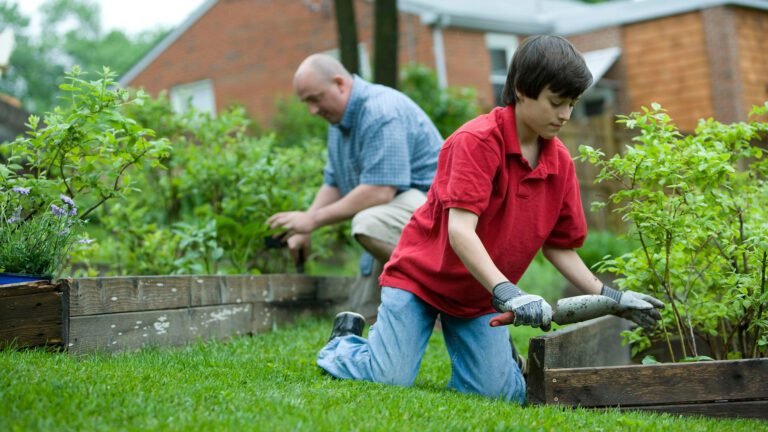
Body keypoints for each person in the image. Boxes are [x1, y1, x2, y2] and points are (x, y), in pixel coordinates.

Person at [316, 35, 665, 404]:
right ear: (521, 90)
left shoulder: (559, 163)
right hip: (420, 281)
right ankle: (345, 343)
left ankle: (498, 363)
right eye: (556, 102)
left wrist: (614, 298)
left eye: (572, 104)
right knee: (388, 378)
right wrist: (510, 293)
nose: (565, 115)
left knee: (498, 395)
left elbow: (559, 248)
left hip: (480, 296)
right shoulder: (475, 142)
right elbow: (460, 231)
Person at [267, 54, 443, 321]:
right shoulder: (339, 122)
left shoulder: (380, 111)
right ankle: (411, 308)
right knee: (361, 315)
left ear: (339, 83)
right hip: (399, 217)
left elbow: (380, 191)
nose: (312, 111)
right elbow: (334, 182)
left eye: (315, 99)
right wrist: (303, 227)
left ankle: (442, 296)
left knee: (368, 223)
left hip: (438, 217)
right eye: (306, 103)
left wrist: (313, 220)